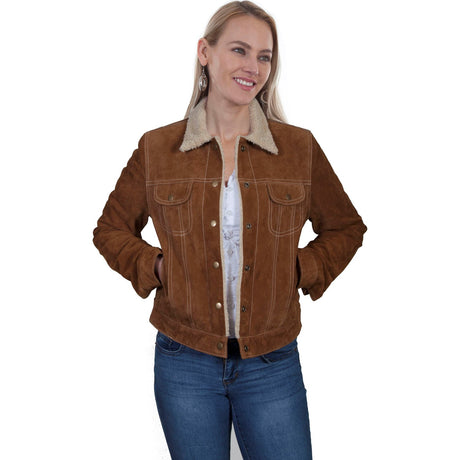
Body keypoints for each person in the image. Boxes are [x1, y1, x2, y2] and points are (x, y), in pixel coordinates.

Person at [93, 1, 367, 458]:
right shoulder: (157, 148)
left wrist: (299, 270)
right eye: (239, 50)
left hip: (272, 360)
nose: (253, 67)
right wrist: (156, 267)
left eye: (264, 56)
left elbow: (345, 227)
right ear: (205, 52)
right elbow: (110, 229)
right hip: (184, 359)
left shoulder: (298, 148)